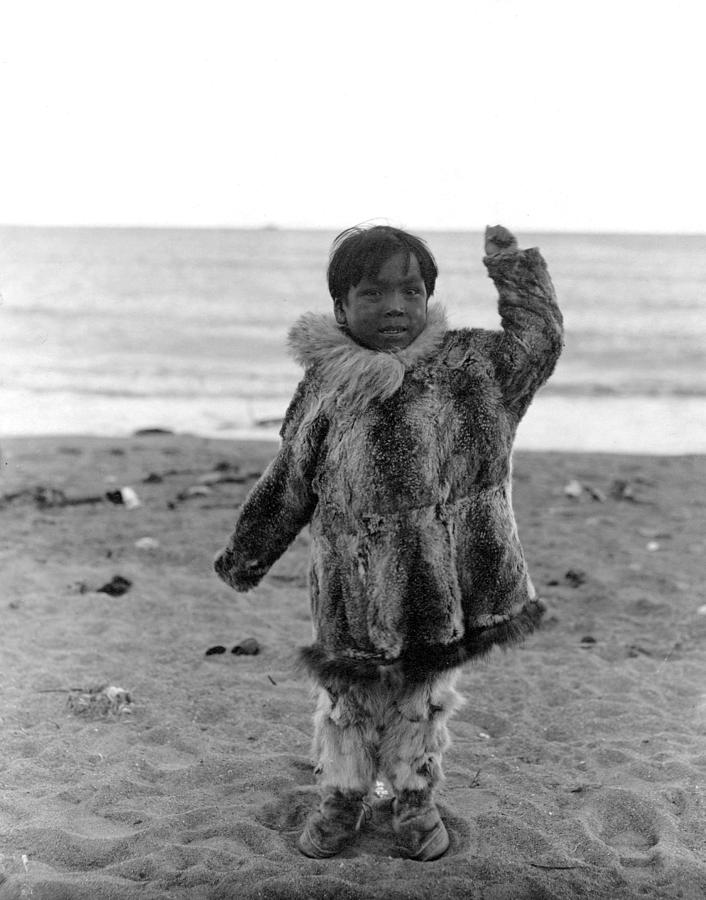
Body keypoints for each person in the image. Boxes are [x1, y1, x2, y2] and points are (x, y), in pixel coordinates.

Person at [214, 223, 563, 861]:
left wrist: (512, 270)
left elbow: (539, 342)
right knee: (347, 698)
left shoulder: (474, 365)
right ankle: (342, 798)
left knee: (422, 697)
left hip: (445, 580)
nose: (395, 307)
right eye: (372, 294)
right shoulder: (326, 384)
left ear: (429, 296)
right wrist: (247, 555)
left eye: (411, 290)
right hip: (350, 582)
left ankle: (414, 801)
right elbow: (289, 479)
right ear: (341, 306)